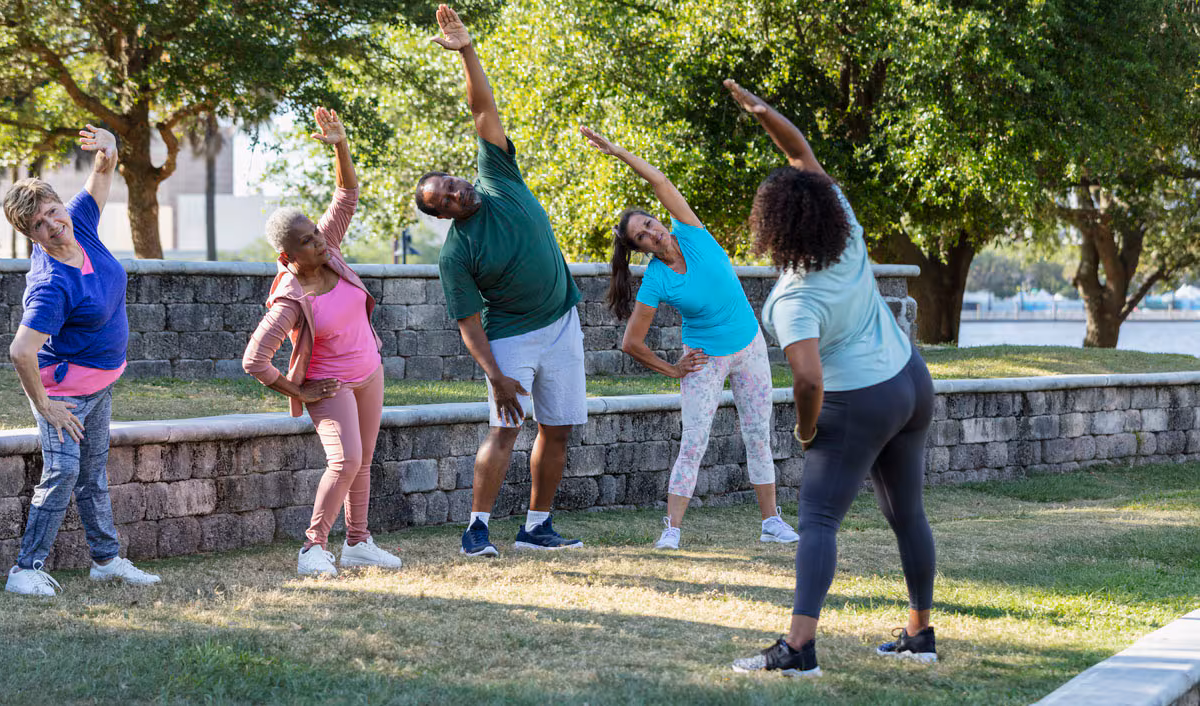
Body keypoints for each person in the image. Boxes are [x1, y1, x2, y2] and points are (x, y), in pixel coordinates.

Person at [723, 80, 937, 677]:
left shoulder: (793, 298)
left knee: (817, 518)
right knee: (907, 514)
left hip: (858, 400)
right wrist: (766, 114)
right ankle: (920, 634)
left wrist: (805, 429)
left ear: (772, 227)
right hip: (910, 381)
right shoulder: (844, 224)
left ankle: (797, 650)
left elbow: (809, 380)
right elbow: (801, 157)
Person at [415, 4, 585, 557]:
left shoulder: (498, 176)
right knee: (506, 430)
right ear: (442, 216)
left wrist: (467, 50)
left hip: (563, 322)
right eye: (443, 201)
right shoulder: (457, 252)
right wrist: (494, 376)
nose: (454, 194)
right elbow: (468, 323)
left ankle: (537, 526)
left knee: (557, 429)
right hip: (511, 336)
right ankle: (476, 529)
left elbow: (481, 105)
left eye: (450, 184)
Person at [578, 126, 799, 551]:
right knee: (694, 440)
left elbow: (658, 181)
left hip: (750, 347)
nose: (653, 231)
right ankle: (672, 529)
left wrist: (618, 151)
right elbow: (632, 342)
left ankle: (771, 522)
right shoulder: (656, 281)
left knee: (758, 434)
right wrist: (673, 369)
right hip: (705, 359)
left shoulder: (692, 232)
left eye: (650, 222)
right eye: (642, 235)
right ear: (639, 247)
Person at [2, 125, 161, 596]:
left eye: (53, 212)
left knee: (92, 473)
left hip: (100, 385)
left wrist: (109, 143)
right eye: (39, 226)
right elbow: (21, 351)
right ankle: (24, 570)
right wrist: (46, 404)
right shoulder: (51, 284)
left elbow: (103, 170)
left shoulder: (80, 222)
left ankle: (106, 561)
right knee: (64, 472)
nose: (53, 225)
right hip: (65, 394)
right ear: (29, 234)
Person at [243, 107, 400, 577]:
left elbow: (347, 194)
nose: (321, 242)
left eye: (317, 232)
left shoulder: (327, 247)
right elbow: (255, 360)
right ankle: (313, 547)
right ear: (288, 256)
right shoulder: (290, 298)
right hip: (330, 387)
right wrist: (300, 391)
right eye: (309, 241)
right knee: (345, 459)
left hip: (369, 371)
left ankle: (359, 541)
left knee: (363, 460)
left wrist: (340, 145)